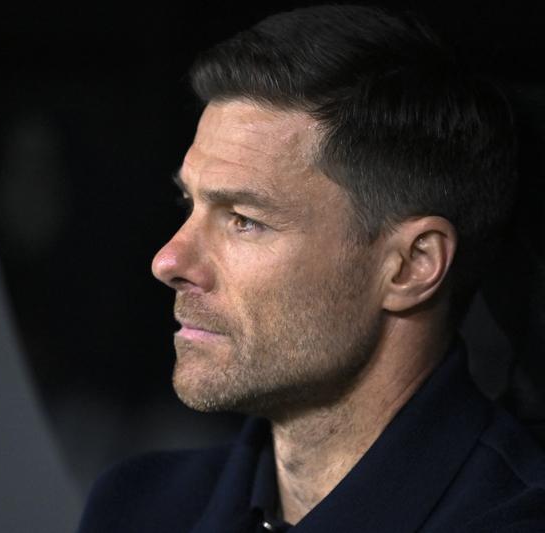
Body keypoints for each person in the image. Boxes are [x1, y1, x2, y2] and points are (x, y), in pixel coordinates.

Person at [77, 5, 545, 532]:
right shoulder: (139, 507)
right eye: (190, 204)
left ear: (412, 266)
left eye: (244, 220)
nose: (169, 261)